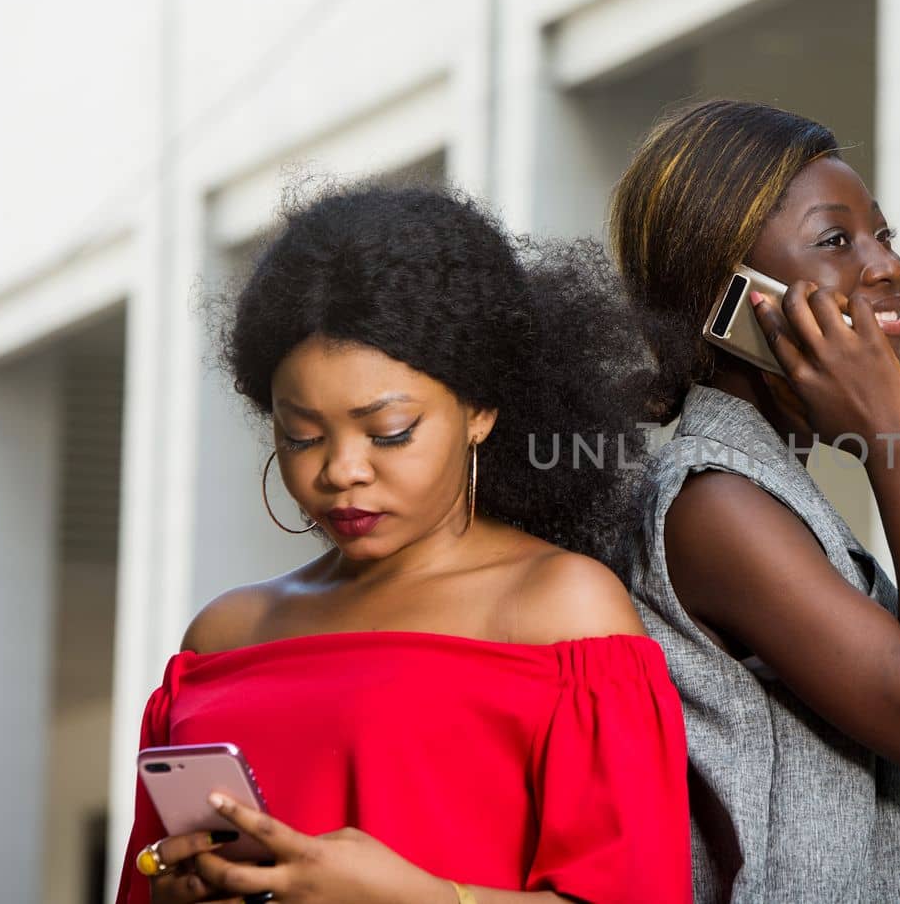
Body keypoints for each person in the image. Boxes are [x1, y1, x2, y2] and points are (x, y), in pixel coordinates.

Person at [114, 184, 690, 904]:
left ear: (480, 409)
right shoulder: (224, 637)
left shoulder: (558, 612)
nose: (340, 470)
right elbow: (145, 876)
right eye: (302, 435)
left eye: (389, 432)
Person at [611, 99, 900, 903]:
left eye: (883, 236)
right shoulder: (716, 505)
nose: (886, 266)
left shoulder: (772, 494)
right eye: (836, 241)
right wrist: (895, 433)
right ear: (734, 302)